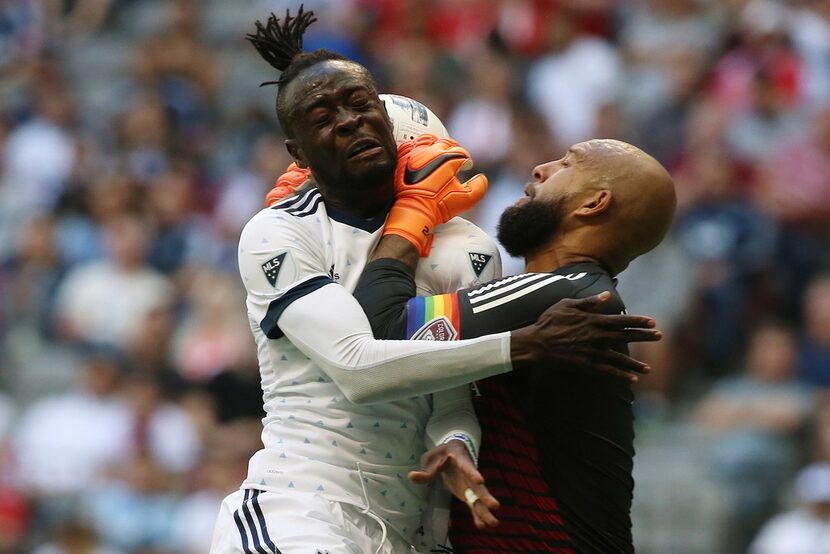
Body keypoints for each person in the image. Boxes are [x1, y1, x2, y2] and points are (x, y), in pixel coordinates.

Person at [211, 8, 661, 554]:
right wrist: (521, 346)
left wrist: (454, 439)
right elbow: (360, 363)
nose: (351, 122)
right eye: (325, 116)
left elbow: (448, 396)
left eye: (361, 105)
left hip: (411, 531)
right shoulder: (278, 232)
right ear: (299, 155)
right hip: (303, 506)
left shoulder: (467, 248)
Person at [353, 139, 677, 552]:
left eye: (565, 164)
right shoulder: (571, 296)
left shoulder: (564, 296)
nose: (540, 168)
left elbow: (381, 330)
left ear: (594, 203)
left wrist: (412, 213)